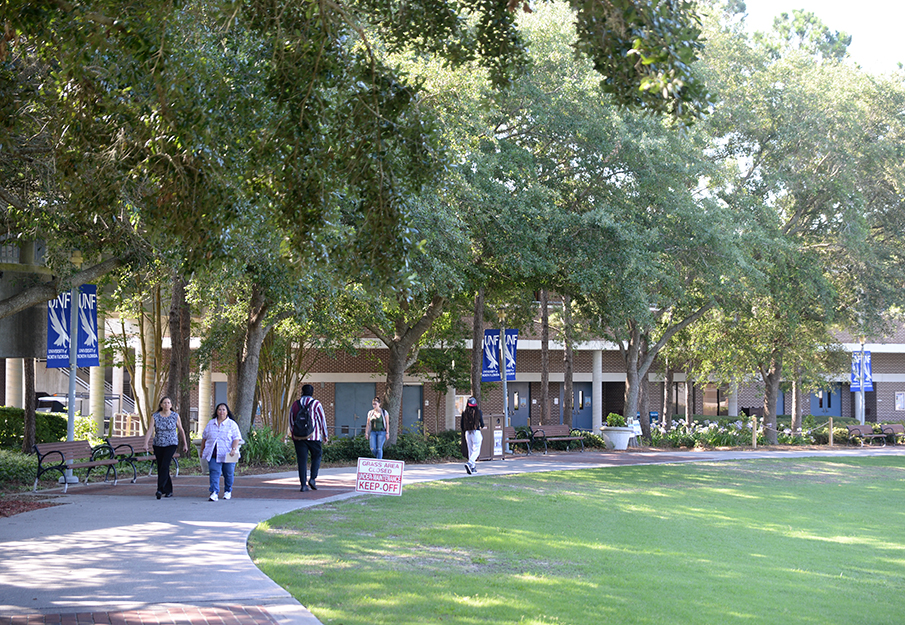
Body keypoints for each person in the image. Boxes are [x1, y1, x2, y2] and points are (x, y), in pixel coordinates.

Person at [143, 397, 189, 499]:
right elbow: (150, 430)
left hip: (171, 443)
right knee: (161, 467)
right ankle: (168, 490)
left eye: (169, 403)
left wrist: (185, 444)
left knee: (165, 465)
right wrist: (146, 443)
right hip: (158, 444)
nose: (167, 405)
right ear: (161, 405)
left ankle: (159, 489)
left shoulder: (175, 416)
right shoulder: (155, 416)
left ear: (171, 405)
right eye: (164, 403)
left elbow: (181, 430)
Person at [286, 384, 329, 492]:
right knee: (317, 456)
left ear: (302, 392)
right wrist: (325, 434)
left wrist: (293, 433)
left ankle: (303, 485)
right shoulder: (316, 404)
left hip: (299, 438)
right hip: (313, 437)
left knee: (302, 460)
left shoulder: (295, 404)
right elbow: (321, 420)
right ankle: (313, 478)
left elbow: (291, 420)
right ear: (312, 392)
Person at [200, 403, 244, 501]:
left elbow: (236, 438)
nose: (221, 412)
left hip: (228, 454)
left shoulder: (232, 424)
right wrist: (202, 450)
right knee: (214, 472)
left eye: (224, 410)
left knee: (228, 473)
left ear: (227, 411)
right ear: (216, 411)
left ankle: (228, 491)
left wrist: (233, 449)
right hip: (213, 453)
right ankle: (214, 492)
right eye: (219, 410)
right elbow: (204, 437)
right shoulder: (211, 423)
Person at [461, 396, 485, 474]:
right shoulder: (478, 412)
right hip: (476, 432)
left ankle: (473, 468)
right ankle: (470, 462)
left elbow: (462, 426)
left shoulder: (464, 413)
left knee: (470, 450)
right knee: (476, 450)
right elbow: (482, 424)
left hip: (467, 432)